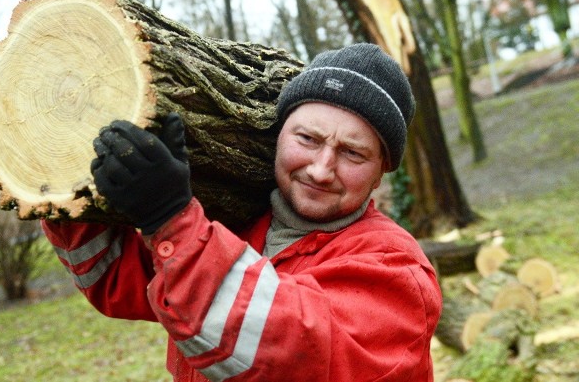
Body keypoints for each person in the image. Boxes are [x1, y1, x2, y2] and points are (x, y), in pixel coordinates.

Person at [42, 43, 442, 382]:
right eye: (307, 138)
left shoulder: (396, 270)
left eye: (352, 153)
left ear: (379, 174)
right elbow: (115, 278)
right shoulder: (235, 223)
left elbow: (287, 351)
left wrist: (168, 217)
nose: (321, 169)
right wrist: (64, 182)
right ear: (279, 134)